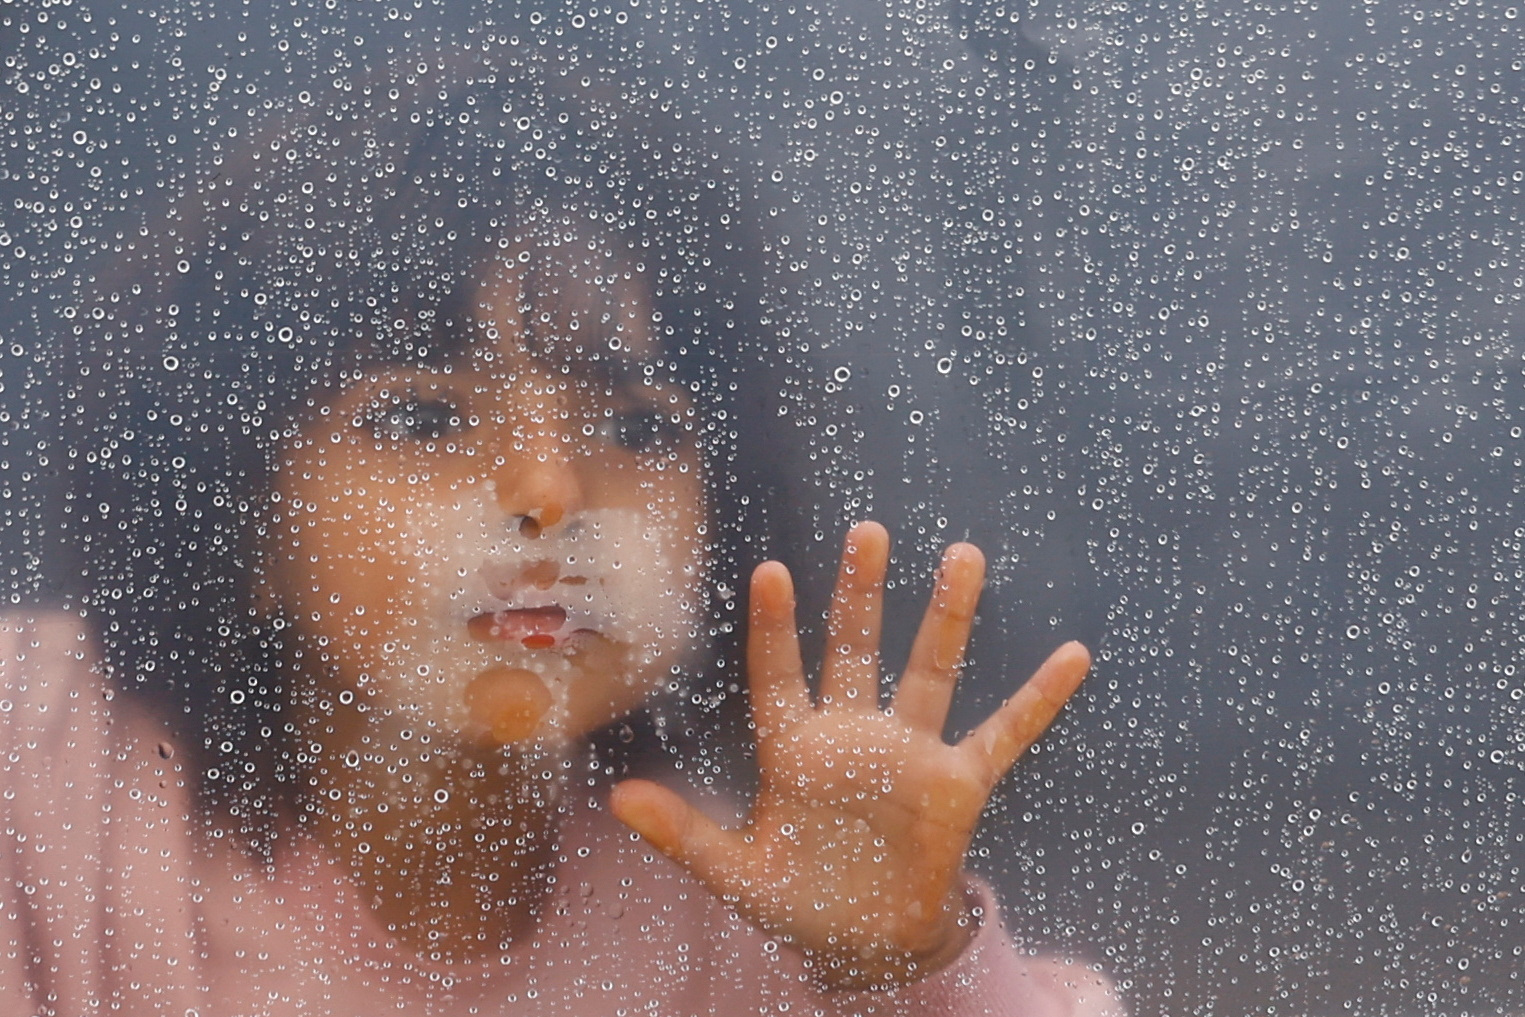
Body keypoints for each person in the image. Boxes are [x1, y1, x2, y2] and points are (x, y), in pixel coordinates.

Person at [2, 52, 1118, 1015]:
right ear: (242, 521)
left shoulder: (754, 900)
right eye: (423, 417)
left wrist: (902, 963)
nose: (551, 487)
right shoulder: (37, 765)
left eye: (639, 427)